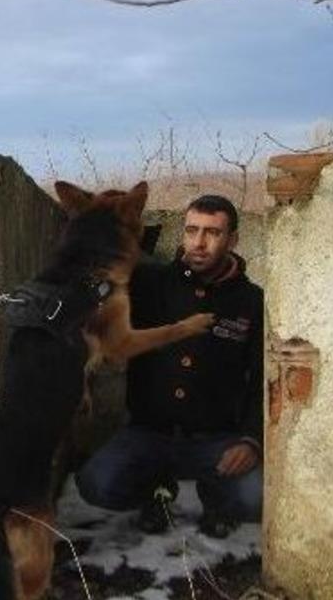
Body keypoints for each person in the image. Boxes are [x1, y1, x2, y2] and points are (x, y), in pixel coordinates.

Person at [77, 194, 264, 537]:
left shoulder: (251, 300)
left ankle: (216, 498)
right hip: (149, 434)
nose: (199, 242)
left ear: (233, 239)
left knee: (254, 498)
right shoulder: (148, 283)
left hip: (216, 439)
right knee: (96, 483)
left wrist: (252, 441)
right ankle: (156, 492)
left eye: (213, 232)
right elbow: (99, 284)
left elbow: (261, 378)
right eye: (192, 230)